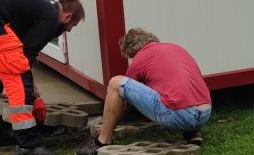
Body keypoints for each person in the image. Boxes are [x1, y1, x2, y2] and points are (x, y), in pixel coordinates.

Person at [0, 0, 86, 154]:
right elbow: (24, 59)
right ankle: (28, 145)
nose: (69, 30)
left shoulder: (37, 9)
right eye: (73, 25)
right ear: (68, 16)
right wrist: (35, 96)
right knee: (19, 80)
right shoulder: (50, 18)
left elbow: (18, 51)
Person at [78, 28, 211, 154]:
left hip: (179, 115)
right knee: (175, 91)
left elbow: (124, 104)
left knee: (116, 83)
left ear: (130, 51)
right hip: (205, 112)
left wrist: (107, 125)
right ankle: (192, 132)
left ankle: (102, 141)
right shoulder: (175, 48)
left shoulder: (140, 59)